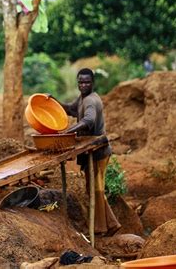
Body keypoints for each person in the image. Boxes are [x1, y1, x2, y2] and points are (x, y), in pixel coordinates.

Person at [50, 68, 121, 236]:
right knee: (93, 189)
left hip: (99, 151)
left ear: (92, 83)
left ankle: (100, 228)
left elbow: (88, 120)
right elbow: (71, 110)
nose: (83, 85)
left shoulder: (91, 101)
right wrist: (54, 102)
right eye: (80, 82)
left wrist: (68, 132)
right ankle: (111, 223)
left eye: (87, 82)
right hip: (92, 150)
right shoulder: (82, 98)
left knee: (97, 189)